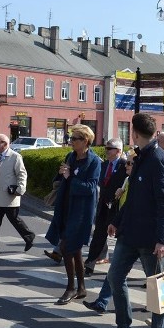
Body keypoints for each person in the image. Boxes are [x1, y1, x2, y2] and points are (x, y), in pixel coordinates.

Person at [98, 113, 164, 328]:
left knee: (159, 286)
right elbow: (132, 197)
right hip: (130, 234)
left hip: (152, 238)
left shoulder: (159, 159)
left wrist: (163, 240)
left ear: (134, 133)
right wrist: (117, 221)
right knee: (114, 277)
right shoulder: (140, 157)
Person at [46, 125, 100, 304]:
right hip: (65, 207)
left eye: (75, 138)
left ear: (85, 141)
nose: (71, 141)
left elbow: (91, 188)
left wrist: (71, 177)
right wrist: (61, 174)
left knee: (66, 247)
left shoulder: (94, 161)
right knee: (74, 249)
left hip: (81, 211)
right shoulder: (71, 156)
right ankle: (82, 287)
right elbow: (62, 179)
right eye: (71, 137)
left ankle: (70, 288)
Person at [82, 152, 135, 317]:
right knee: (114, 271)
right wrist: (115, 222)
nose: (126, 165)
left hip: (146, 238)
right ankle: (102, 302)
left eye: (130, 164)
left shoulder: (144, 183)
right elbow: (125, 208)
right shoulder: (127, 180)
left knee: (156, 276)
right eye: (127, 163)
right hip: (127, 235)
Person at [0, 134, 35, 255]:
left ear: (5, 143)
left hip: (10, 196)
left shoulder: (15, 157)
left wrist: (20, 190)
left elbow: (22, 174)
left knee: (14, 219)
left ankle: (29, 235)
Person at [84, 138, 127, 275]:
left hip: (117, 207)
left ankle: (147, 270)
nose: (106, 151)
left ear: (119, 151)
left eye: (110, 148)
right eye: (106, 148)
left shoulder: (125, 165)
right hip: (103, 205)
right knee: (98, 236)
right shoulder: (103, 165)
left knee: (124, 238)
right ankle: (89, 265)